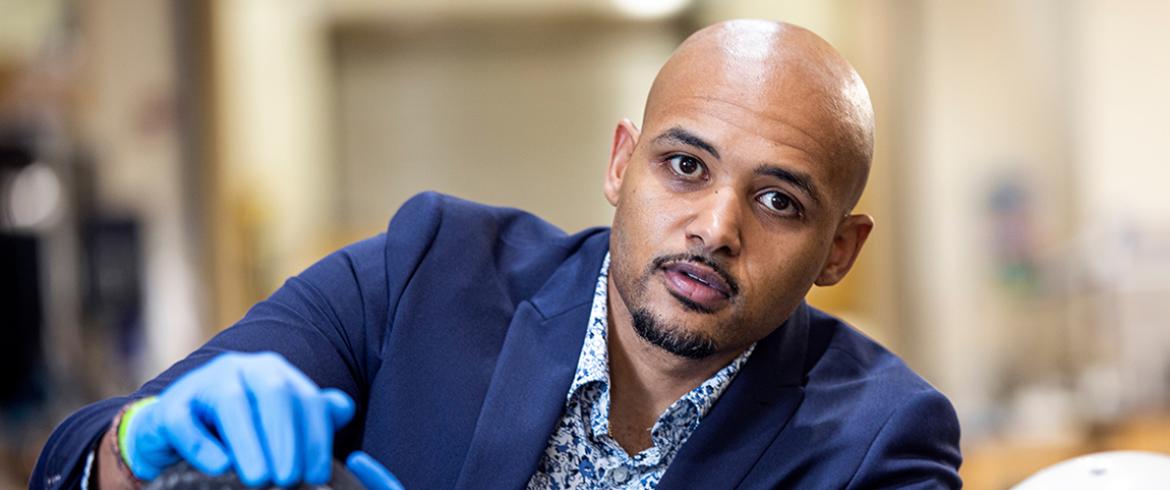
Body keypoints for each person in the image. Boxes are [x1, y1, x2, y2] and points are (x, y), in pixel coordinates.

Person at [33, 19, 962, 489]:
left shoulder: (880, 440)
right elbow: (72, 461)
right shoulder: (423, 272)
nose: (717, 226)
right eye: (685, 165)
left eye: (777, 200)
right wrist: (139, 451)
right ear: (619, 163)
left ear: (838, 249)